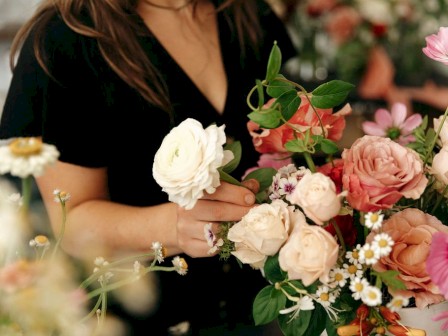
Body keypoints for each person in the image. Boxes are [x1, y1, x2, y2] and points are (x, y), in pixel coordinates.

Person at [0, 0, 296, 335]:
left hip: (266, 307)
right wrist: (174, 226)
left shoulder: (246, 12)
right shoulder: (65, 38)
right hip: (140, 318)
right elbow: (71, 221)